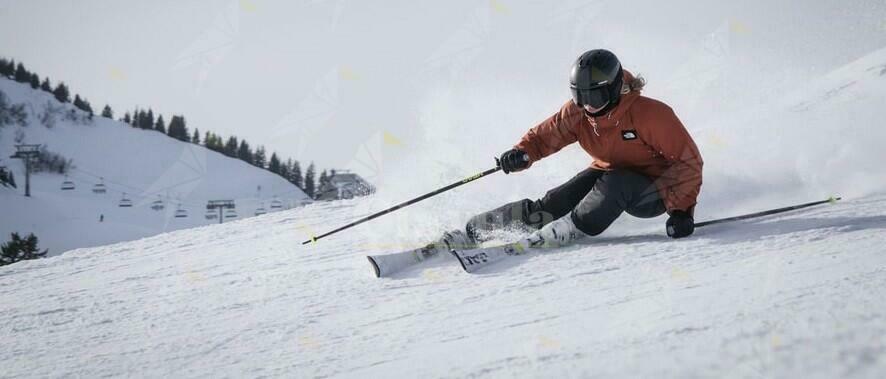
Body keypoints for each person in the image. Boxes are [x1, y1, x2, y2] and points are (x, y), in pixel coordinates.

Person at [443, 49, 703, 252]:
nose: (587, 106)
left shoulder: (651, 114)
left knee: (617, 181)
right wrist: (522, 152)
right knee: (553, 203)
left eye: (595, 97)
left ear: (613, 90)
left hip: (654, 191)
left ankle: (570, 228)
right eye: (580, 97)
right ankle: (476, 231)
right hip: (607, 174)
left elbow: (688, 161)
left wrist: (681, 211)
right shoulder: (579, 113)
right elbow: (546, 135)